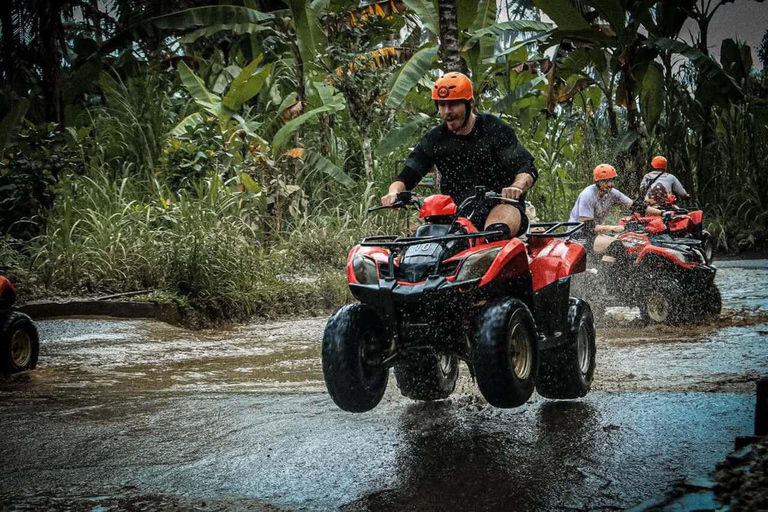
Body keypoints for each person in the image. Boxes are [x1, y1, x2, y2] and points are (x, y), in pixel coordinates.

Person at [380, 72, 537, 239]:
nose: (447, 112)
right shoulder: (435, 139)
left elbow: (526, 166)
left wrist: (517, 187)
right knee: (423, 250)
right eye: (442, 105)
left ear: (469, 103)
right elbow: (408, 175)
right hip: (455, 214)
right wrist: (393, 193)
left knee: (494, 235)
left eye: (453, 104)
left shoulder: (494, 129)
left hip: (501, 205)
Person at [569, 164, 662, 253]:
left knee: (628, 243)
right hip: (578, 235)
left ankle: (607, 267)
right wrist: (613, 228)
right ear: (598, 182)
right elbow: (587, 227)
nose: (610, 184)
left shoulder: (613, 193)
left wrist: (662, 213)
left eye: (612, 180)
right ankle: (604, 269)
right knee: (617, 246)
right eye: (605, 181)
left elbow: (637, 206)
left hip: (595, 233)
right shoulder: (588, 195)